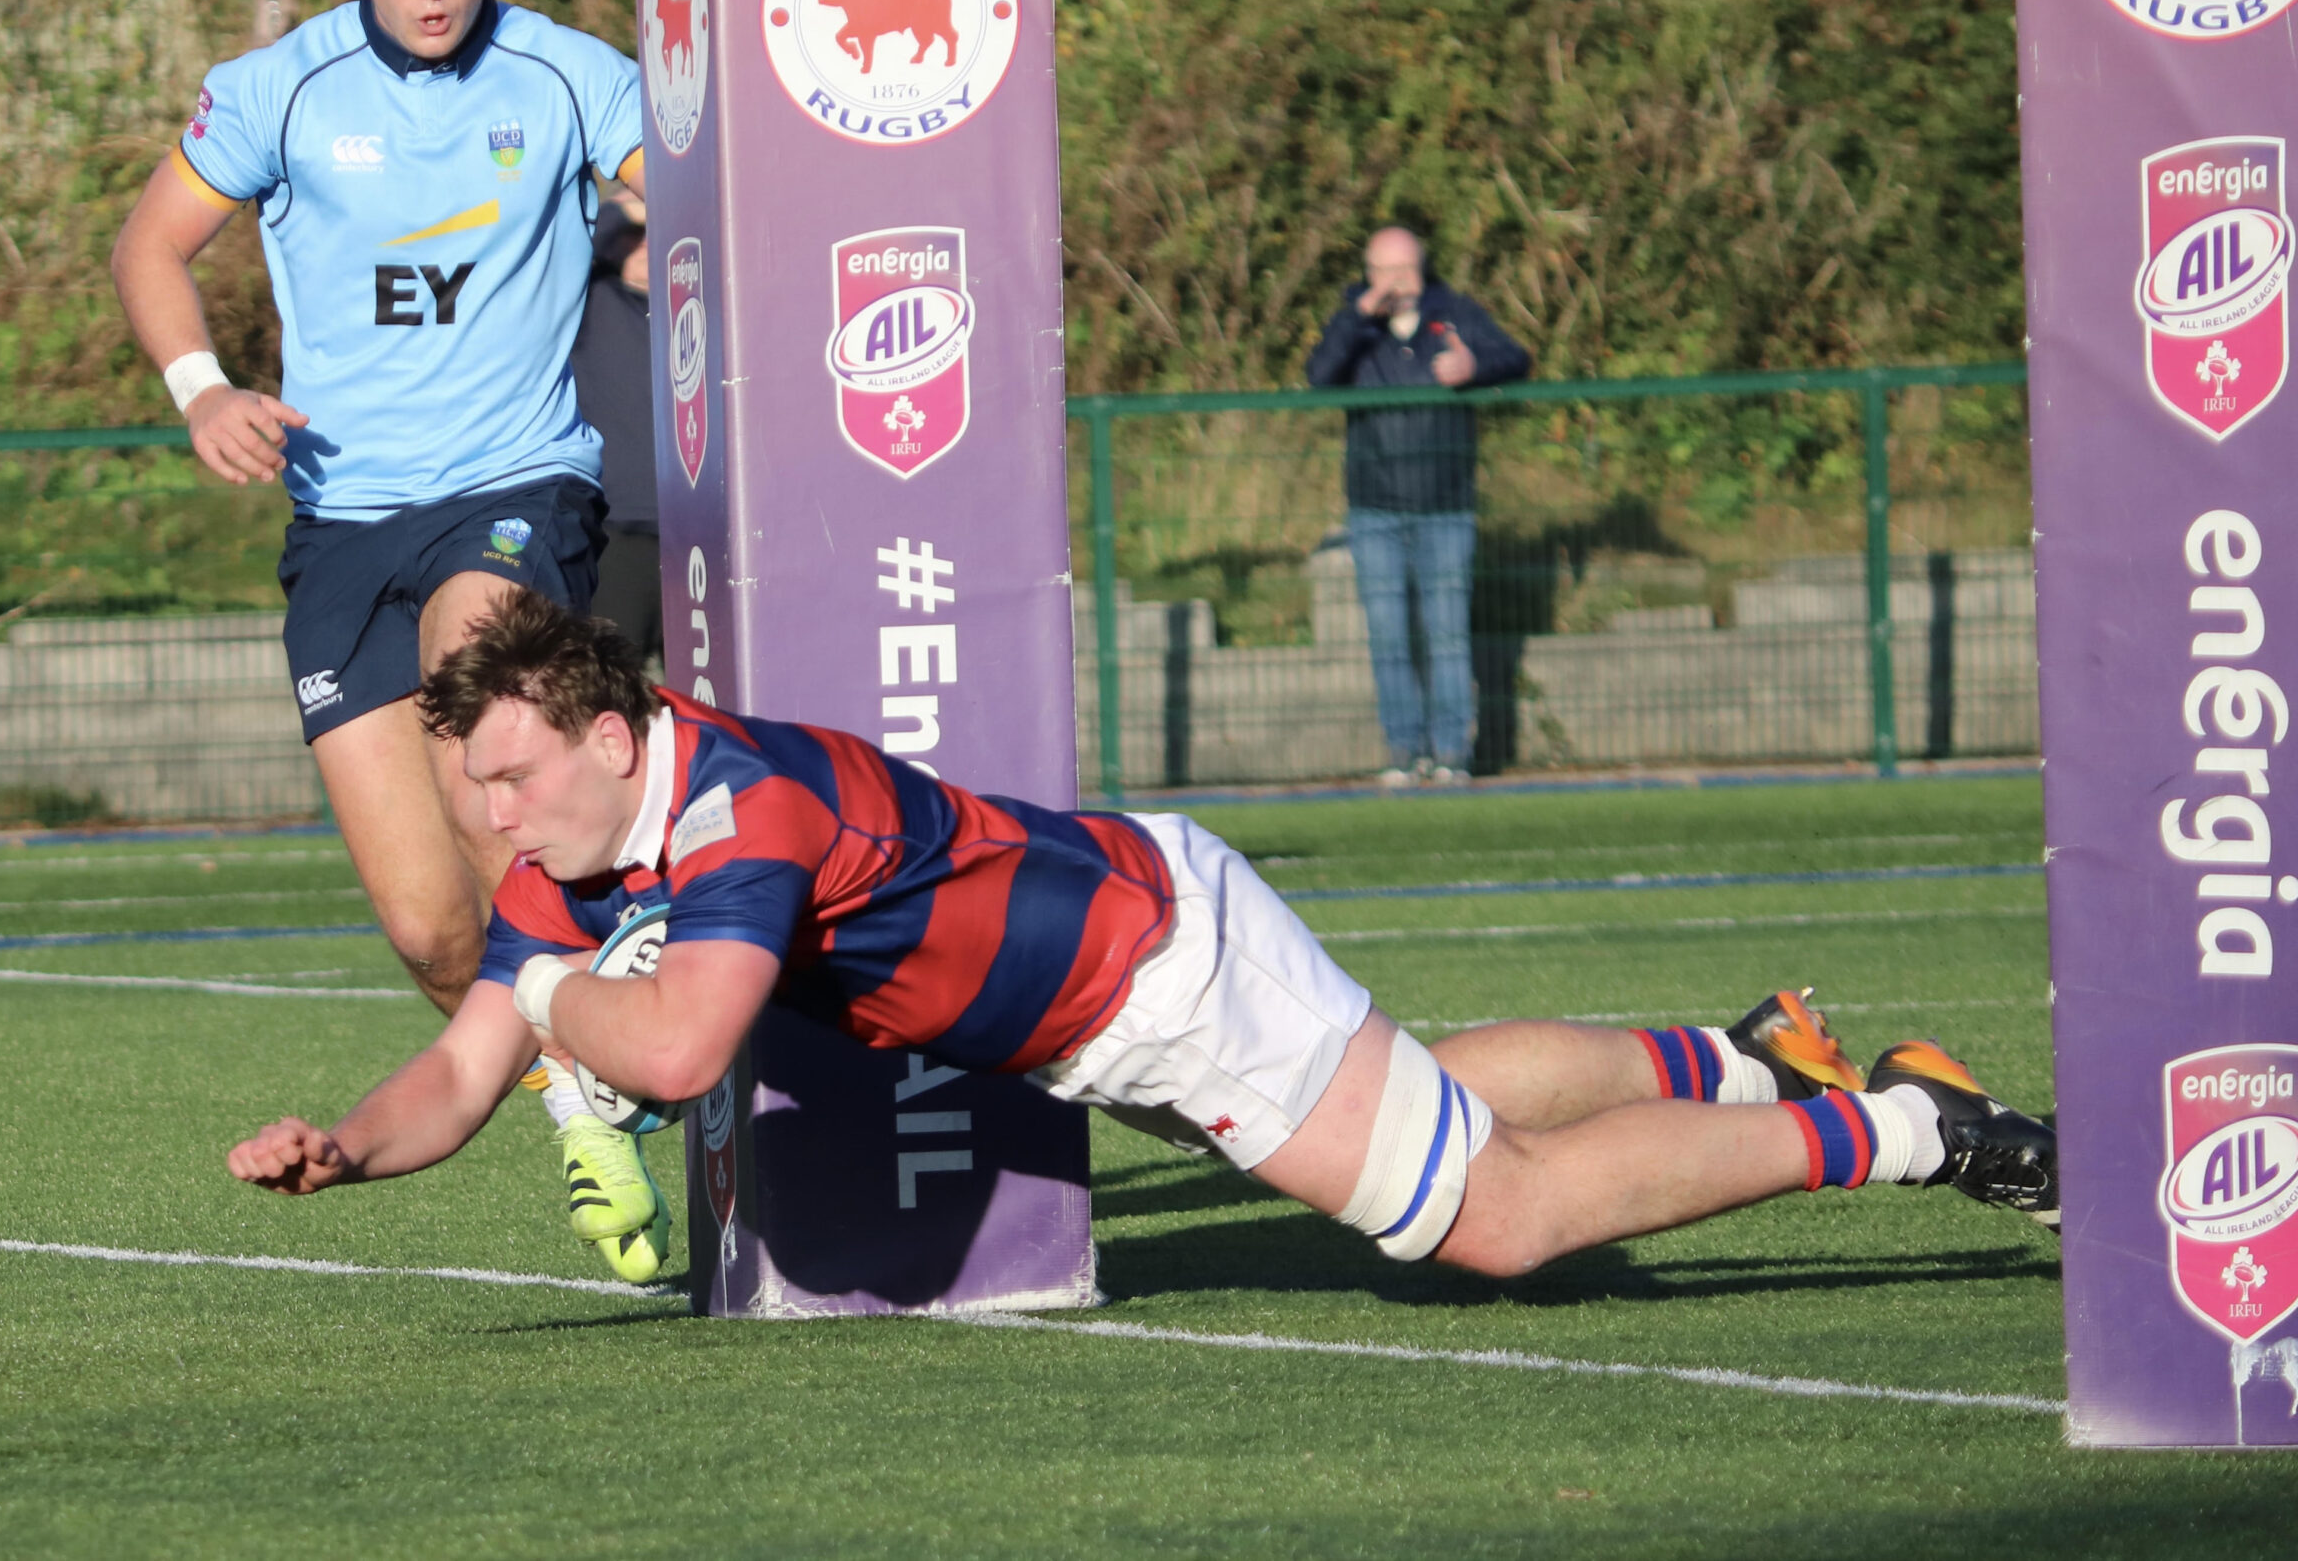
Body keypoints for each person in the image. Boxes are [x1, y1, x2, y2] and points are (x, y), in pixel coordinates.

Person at [228, 592, 2062, 1283]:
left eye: (509, 775)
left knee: (1491, 1217)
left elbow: (681, 1045)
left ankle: (1916, 1125)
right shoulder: (578, 841)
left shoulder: (740, 809)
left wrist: (555, 984)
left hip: (1154, 972)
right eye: (473, 785)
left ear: (614, 738)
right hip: (1118, 973)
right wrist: (347, 1144)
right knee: (1427, 1102)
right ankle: (1749, 1056)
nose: (491, 816)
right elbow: (466, 1063)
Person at [109, 0, 664, 1277]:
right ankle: (589, 1070)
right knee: (428, 929)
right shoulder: (276, 91)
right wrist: (201, 391)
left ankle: (647, 1030)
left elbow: (692, 199)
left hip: (515, 485)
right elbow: (151, 246)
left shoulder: (569, 76)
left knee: (477, 700)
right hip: (344, 526)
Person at [1306, 226, 1531, 785]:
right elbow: (1319, 375)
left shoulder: (1455, 314)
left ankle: (1452, 752)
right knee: (1388, 636)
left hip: (1446, 504)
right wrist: (1359, 316)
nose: (1396, 282)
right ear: (1368, 274)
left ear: (1423, 269)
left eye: (1405, 269)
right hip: (1375, 507)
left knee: (1448, 632)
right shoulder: (1354, 323)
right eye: (1384, 271)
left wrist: (1474, 369)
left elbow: (1516, 357)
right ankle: (1404, 750)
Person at [572, 192, 662, 664]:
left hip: (703, 534)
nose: (644, 242)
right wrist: (628, 209)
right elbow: (568, 245)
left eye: (654, 232)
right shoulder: (589, 303)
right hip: (617, 534)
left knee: (710, 693)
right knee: (610, 683)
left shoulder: (709, 309)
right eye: (632, 235)